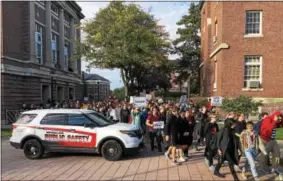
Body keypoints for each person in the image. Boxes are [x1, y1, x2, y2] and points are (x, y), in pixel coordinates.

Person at [259, 111, 283, 179]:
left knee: (277, 153)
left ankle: (275, 167)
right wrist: (275, 121)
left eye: (281, 119)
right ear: (275, 117)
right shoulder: (268, 119)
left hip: (272, 140)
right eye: (279, 119)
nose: (280, 120)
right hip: (265, 139)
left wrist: (280, 120)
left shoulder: (278, 121)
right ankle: (262, 167)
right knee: (265, 154)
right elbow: (268, 130)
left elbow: (281, 125)